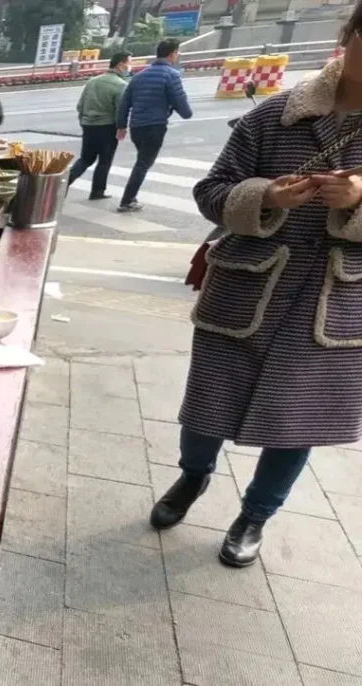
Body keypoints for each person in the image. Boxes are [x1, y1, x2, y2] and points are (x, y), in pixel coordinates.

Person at [149, 14, 362, 569]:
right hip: (248, 287)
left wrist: (357, 204)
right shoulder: (277, 115)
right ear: (348, 38)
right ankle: (191, 479)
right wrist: (267, 196)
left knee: (298, 420)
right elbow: (210, 192)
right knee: (206, 409)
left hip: (334, 302)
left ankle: (256, 516)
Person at [115, 39, 191, 212]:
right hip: (154, 126)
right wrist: (186, 112)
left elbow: (124, 103)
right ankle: (127, 200)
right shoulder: (171, 75)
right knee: (143, 163)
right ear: (172, 54)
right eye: (177, 53)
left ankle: (130, 198)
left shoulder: (139, 76)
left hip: (136, 127)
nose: (177, 56)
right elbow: (181, 104)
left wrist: (121, 125)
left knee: (142, 161)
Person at [68, 51, 131, 200]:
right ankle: (97, 191)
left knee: (85, 159)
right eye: (129, 62)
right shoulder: (121, 85)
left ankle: (62, 185)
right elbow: (120, 111)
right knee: (104, 161)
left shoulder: (93, 81)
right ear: (121, 64)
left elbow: (80, 105)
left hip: (88, 126)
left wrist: (84, 122)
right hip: (107, 127)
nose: (130, 66)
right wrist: (121, 128)